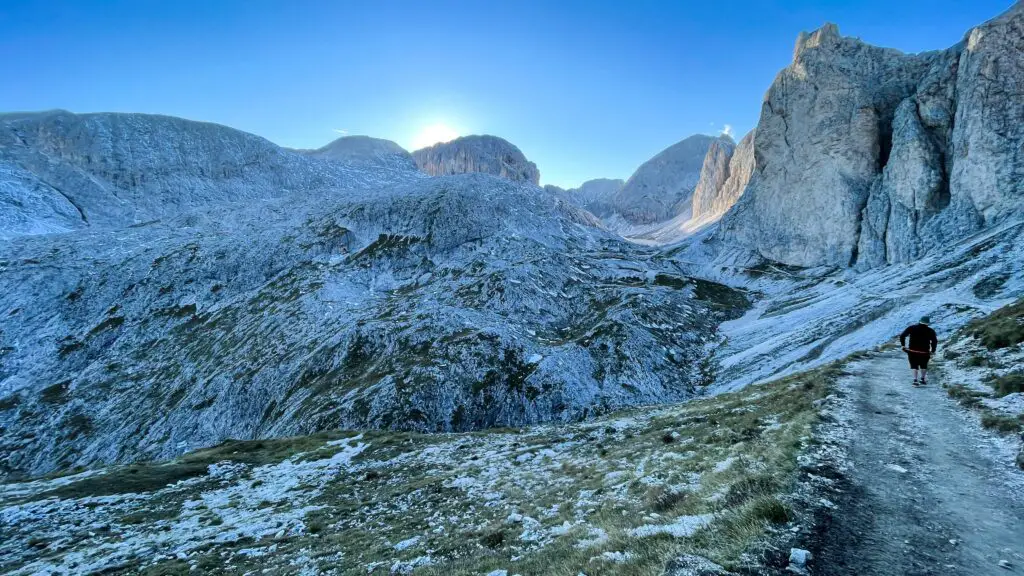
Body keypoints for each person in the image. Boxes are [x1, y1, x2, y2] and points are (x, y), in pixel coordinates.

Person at [900, 316, 938, 386]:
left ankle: (915, 380)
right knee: (924, 365)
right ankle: (922, 379)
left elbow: (902, 335)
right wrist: (933, 350)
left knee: (914, 365)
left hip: (912, 351)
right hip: (924, 352)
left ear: (920, 321)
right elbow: (934, 341)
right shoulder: (930, 330)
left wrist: (903, 345)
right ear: (928, 323)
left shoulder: (912, 328)